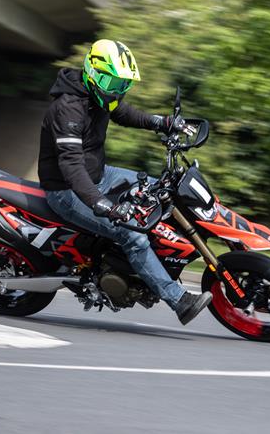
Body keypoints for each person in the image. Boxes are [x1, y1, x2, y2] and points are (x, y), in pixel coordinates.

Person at [39, 39, 212, 325]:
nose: (116, 90)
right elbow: (71, 166)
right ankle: (178, 300)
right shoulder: (67, 110)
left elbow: (124, 113)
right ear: (92, 71)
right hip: (68, 190)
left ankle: (155, 264)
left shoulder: (101, 95)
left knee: (161, 190)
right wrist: (102, 203)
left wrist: (163, 123)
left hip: (99, 174)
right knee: (131, 234)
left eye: (122, 84)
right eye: (112, 82)